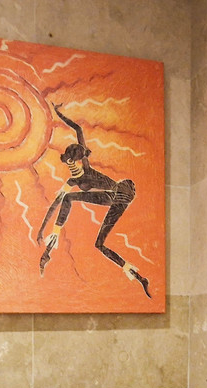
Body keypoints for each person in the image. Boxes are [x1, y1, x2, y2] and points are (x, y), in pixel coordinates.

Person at [35, 103, 151, 298]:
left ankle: (50, 247)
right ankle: (138, 276)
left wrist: (58, 113)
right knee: (99, 244)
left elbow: (78, 129)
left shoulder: (83, 171)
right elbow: (56, 203)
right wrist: (42, 229)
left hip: (122, 190)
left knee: (69, 198)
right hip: (117, 199)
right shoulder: (74, 179)